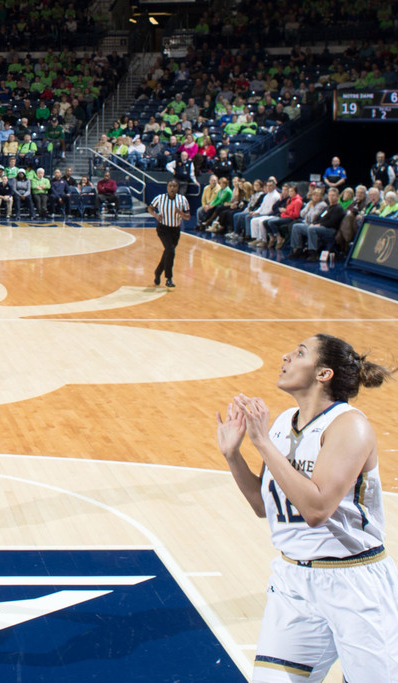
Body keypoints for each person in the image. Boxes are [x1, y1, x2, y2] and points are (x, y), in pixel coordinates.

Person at [216, 334, 398, 681]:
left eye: (299, 352)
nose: (285, 355)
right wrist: (233, 455)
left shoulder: (350, 426)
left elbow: (316, 510)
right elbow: (263, 506)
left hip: (354, 582)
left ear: (323, 374)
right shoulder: (286, 422)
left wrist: (263, 443)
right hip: (294, 581)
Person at [147, 179, 191, 288]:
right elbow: (150, 208)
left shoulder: (182, 199)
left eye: (175, 186)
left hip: (175, 230)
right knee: (170, 251)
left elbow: (188, 216)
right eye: (170, 186)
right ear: (167, 187)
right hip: (163, 228)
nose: (172, 188)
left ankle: (158, 272)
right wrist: (156, 216)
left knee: (168, 252)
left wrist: (180, 213)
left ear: (177, 188)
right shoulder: (160, 198)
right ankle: (169, 278)